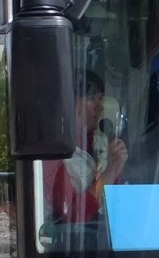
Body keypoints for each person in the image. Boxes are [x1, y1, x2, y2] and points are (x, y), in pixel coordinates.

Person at [43, 69, 127, 222]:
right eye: (91, 98)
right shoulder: (53, 154)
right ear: (68, 103)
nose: (99, 106)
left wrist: (117, 166)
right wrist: (110, 172)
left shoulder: (101, 143)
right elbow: (73, 213)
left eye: (100, 99)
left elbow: (117, 200)